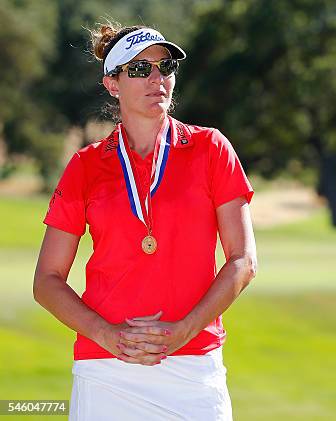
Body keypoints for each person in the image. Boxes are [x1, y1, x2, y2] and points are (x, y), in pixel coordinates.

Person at [33, 22, 257, 421]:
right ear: (112, 84)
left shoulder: (210, 148)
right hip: (105, 370)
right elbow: (47, 281)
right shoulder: (86, 165)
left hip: (193, 367)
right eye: (139, 69)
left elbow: (243, 261)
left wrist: (184, 330)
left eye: (165, 66)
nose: (157, 79)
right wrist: (107, 335)